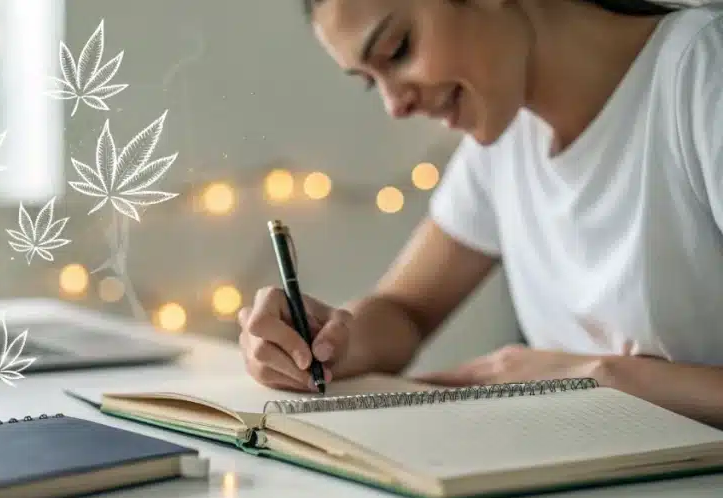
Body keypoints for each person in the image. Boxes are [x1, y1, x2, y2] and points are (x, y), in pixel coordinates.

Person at [238, 0, 723, 428]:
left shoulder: (702, 71)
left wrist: (605, 378)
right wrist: (323, 346)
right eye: (371, 83)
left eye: (398, 49)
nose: (394, 105)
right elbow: (404, 310)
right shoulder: (506, 138)